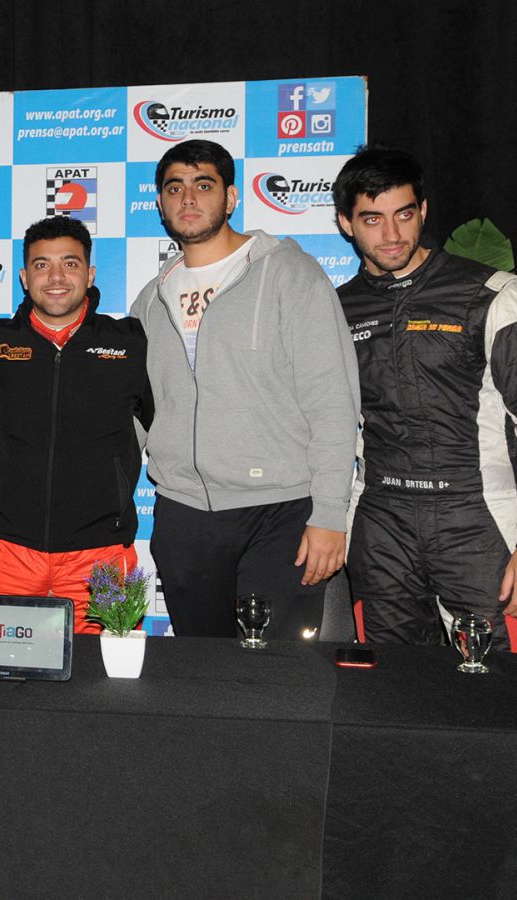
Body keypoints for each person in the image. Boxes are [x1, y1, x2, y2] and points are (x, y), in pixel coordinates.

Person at [334, 143, 517, 649]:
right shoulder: (337, 309)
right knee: (393, 684)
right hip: (381, 522)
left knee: (498, 682)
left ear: (423, 210)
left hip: (476, 520)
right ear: (346, 224)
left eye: (403, 214)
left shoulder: (490, 292)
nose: (391, 234)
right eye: (372, 219)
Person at [128, 140, 359, 639]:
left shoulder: (289, 274)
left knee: (274, 670)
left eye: (203, 184)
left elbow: (333, 402)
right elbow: (138, 414)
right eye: (175, 188)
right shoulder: (150, 301)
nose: (189, 198)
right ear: (161, 205)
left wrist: (329, 512)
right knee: (203, 667)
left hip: (280, 510)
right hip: (184, 514)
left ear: (231, 197)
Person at [0, 216, 152, 632]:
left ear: (90, 274)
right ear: (24, 277)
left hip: (101, 552)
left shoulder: (129, 342)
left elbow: (159, 418)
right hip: (9, 547)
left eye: (70, 264)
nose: (55, 277)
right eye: (42, 265)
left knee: (107, 666)